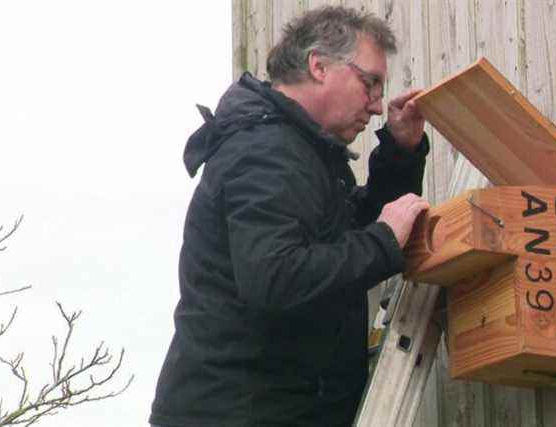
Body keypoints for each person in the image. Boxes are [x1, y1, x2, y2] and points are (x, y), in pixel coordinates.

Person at [150, 6, 430, 427]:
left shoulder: (298, 151)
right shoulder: (267, 153)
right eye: (369, 82)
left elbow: (347, 233)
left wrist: (399, 153)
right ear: (319, 65)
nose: (375, 105)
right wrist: (383, 241)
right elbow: (277, 279)